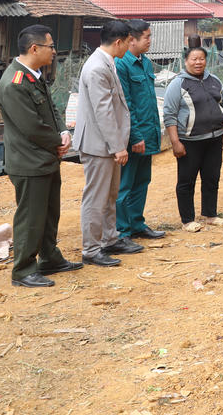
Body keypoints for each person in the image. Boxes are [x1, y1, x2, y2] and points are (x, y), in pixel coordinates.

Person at [0, 25, 79, 288]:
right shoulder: (14, 83)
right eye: (50, 46)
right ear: (35, 48)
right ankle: (23, 270)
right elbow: (31, 126)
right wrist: (58, 142)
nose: (54, 51)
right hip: (29, 161)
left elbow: (51, 108)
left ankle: (50, 258)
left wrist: (63, 132)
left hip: (45, 158)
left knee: (48, 213)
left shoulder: (34, 75)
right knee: (31, 217)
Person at [76, 20, 140, 267]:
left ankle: (109, 239)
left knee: (110, 194)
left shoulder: (107, 62)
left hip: (107, 143)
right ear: (118, 42)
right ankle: (91, 250)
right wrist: (118, 146)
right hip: (98, 144)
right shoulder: (96, 68)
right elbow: (103, 112)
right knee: (96, 197)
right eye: (129, 42)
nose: (130, 46)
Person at [162, 46, 223, 231]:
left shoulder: (214, 81)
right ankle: (187, 220)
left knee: (212, 177)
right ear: (185, 61)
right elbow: (169, 114)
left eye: (201, 58)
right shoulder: (177, 84)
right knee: (187, 180)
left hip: (214, 139)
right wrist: (175, 142)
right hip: (189, 141)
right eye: (194, 59)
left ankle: (210, 214)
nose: (198, 62)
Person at [115, 19, 165, 241]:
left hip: (148, 133)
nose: (150, 41)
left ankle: (137, 224)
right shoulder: (121, 64)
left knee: (142, 181)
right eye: (147, 37)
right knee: (125, 184)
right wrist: (135, 135)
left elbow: (148, 101)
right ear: (131, 40)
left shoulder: (144, 62)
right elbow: (126, 105)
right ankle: (122, 231)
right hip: (132, 137)